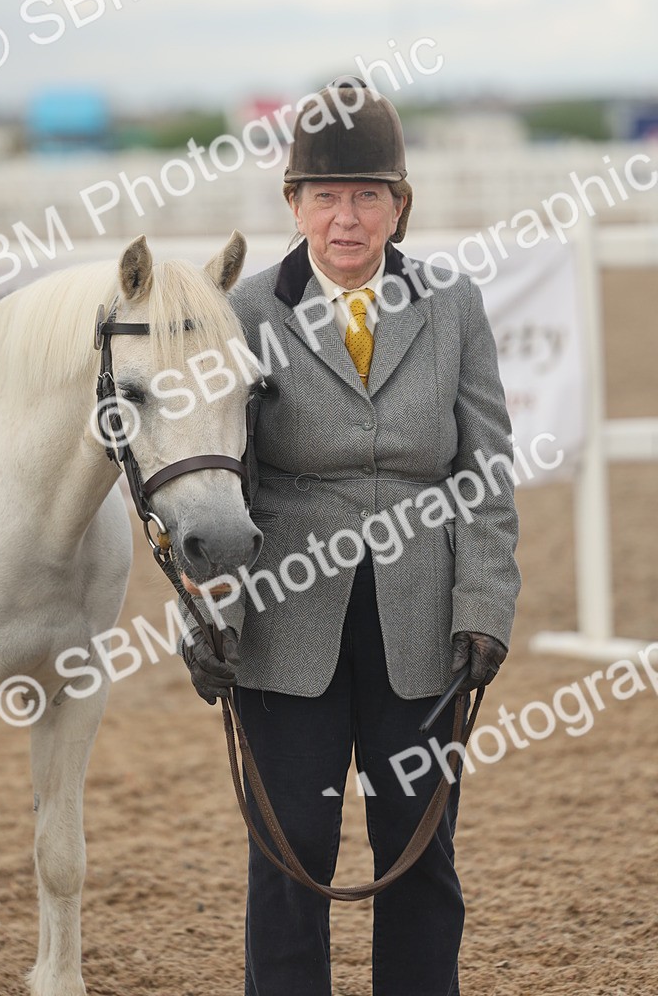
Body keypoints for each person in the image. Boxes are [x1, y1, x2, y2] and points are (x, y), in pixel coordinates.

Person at [180, 77, 520, 996]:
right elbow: (219, 485)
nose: (346, 219)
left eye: (368, 195)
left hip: (424, 623)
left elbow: (486, 471)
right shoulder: (245, 313)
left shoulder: (453, 305)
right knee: (291, 857)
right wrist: (209, 618)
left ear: (400, 206)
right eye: (325, 196)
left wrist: (485, 605)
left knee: (421, 855)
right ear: (292, 204)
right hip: (286, 622)